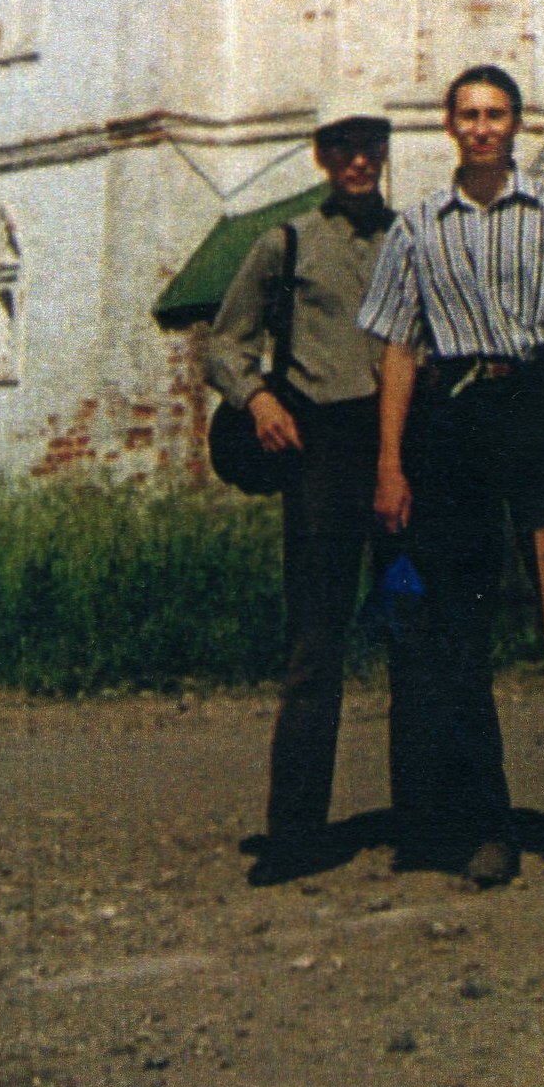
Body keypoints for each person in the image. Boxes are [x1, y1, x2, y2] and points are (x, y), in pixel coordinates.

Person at [360, 63, 544, 886]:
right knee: (460, 634)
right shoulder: (417, 226)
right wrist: (390, 462)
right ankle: (489, 826)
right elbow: (398, 349)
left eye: (496, 114)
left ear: (517, 125)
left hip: (537, 418)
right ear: (449, 127)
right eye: (469, 115)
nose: (482, 128)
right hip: (452, 433)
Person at [205, 104, 407, 887]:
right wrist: (257, 400)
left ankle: (422, 814)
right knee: (317, 641)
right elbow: (226, 341)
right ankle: (295, 830)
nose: (359, 161)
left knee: (410, 624)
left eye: (371, 147)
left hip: (396, 453)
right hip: (321, 452)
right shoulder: (286, 243)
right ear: (322, 156)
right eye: (344, 147)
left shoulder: (409, 238)